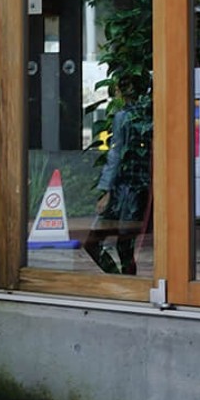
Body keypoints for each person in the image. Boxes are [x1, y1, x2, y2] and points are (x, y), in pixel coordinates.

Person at [82, 92, 152, 275]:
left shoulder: (123, 117)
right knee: (125, 246)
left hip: (121, 189)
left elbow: (115, 156)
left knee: (93, 242)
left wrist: (105, 190)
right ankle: (126, 282)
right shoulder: (152, 117)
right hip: (142, 190)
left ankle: (117, 279)